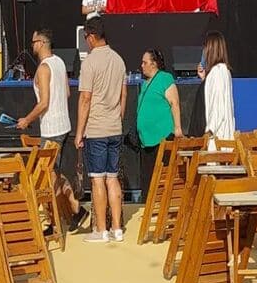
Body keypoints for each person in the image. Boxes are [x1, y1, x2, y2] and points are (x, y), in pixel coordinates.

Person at [16, 28, 87, 232]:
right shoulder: (60, 63)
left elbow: (44, 102)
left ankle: (56, 221)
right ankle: (74, 209)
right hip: (63, 125)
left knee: (49, 177)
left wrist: (26, 119)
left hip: (52, 128)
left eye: (33, 42)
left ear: (40, 42)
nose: (32, 46)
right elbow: (65, 93)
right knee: (54, 172)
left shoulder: (44, 68)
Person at [75, 16, 127, 243]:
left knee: (97, 179)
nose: (86, 41)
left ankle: (101, 230)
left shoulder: (89, 63)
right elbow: (124, 95)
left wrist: (79, 132)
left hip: (96, 128)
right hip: (115, 126)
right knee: (112, 178)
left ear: (92, 36)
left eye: (86, 37)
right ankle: (117, 229)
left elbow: (85, 99)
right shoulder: (119, 60)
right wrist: (118, 119)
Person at [136, 49, 182, 192]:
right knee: (148, 182)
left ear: (154, 64)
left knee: (162, 180)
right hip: (146, 141)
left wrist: (178, 128)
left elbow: (174, 102)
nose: (141, 65)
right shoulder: (145, 84)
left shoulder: (164, 78)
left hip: (162, 138)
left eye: (145, 62)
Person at [197, 30, 235, 145]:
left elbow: (217, 105)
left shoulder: (217, 72)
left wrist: (209, 131)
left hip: (217, 138)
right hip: (223, 137)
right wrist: (204, 79)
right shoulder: (224, 71)